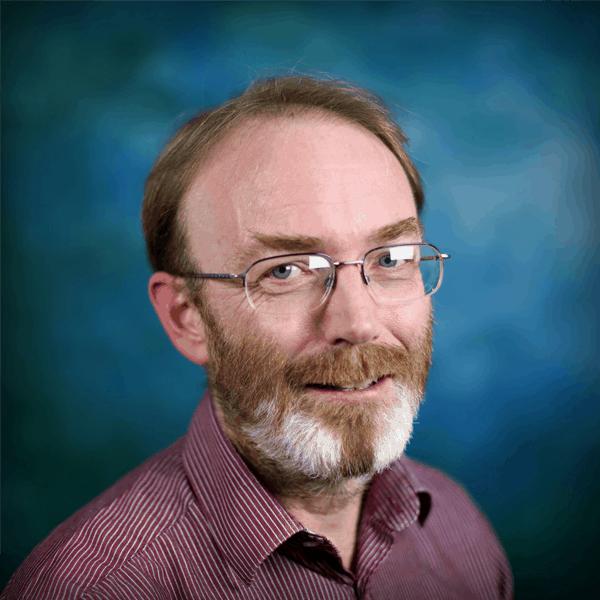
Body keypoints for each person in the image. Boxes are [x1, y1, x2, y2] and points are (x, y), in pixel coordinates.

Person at [2, 75, 513, 599]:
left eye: (390, 259)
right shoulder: (94, 588)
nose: (358, 324)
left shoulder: (456, 527)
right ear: (186, 317)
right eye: (285, 271)